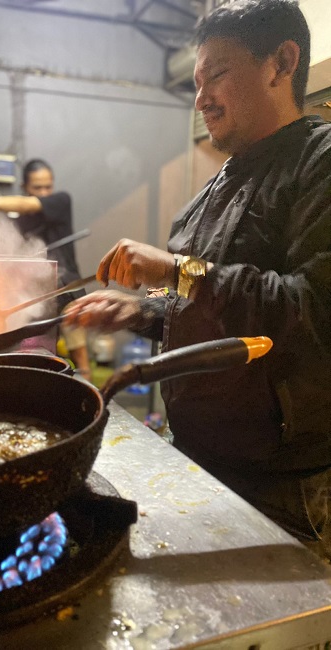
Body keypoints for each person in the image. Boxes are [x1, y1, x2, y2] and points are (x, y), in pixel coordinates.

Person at [64, 0, 331, 558]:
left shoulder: (319, 163)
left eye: (218, 75)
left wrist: (174, 270)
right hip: (195, 452)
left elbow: (311, 309)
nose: (201, 98)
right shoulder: (211, 192)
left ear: (281, 63)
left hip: (285, 483)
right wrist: (140, 311)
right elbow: (195, 300)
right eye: (197, 82)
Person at [0, 159, 92, 380]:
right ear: (25, 187)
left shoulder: (61, 201)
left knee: (78, 351)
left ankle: (88, 386)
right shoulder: (18, 223)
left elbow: (26, 204)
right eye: (37, 188)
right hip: (36, 296)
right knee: (36, 349)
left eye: (47, 186)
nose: (44, 193)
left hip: (67, 287)